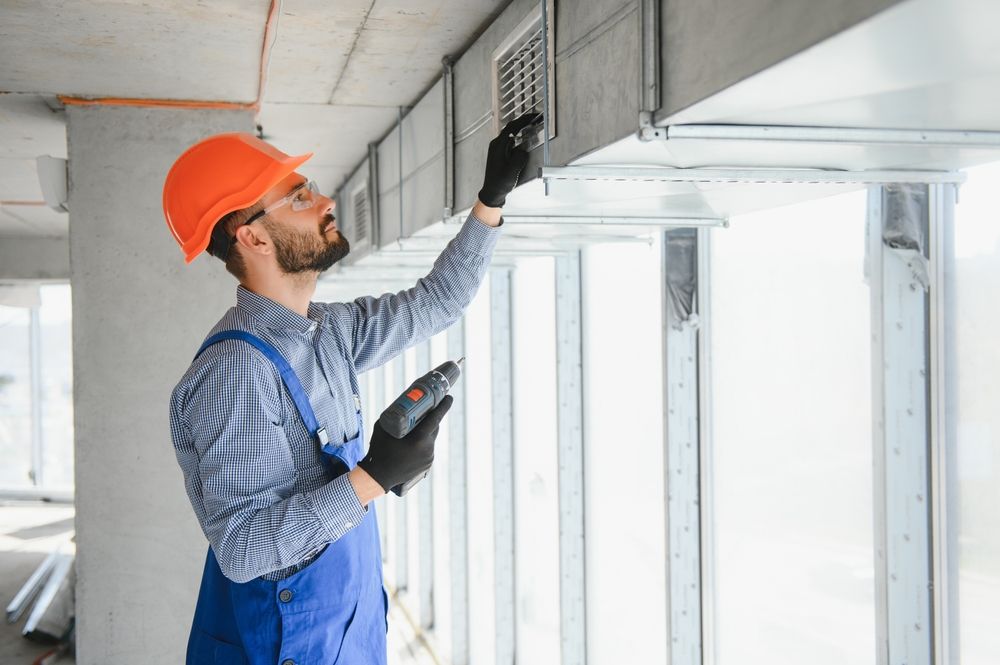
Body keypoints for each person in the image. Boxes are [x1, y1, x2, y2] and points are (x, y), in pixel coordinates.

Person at [164, 112, 540, 665]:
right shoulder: (235, 373)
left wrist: (490, 200)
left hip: (345, 629)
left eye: (310, 190)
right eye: (299, 198)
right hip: (286, 644)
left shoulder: (326, 330)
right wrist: (373, 477)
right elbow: (244, 552)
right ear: (253, 237)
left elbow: (435, 303)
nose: (324, 202)